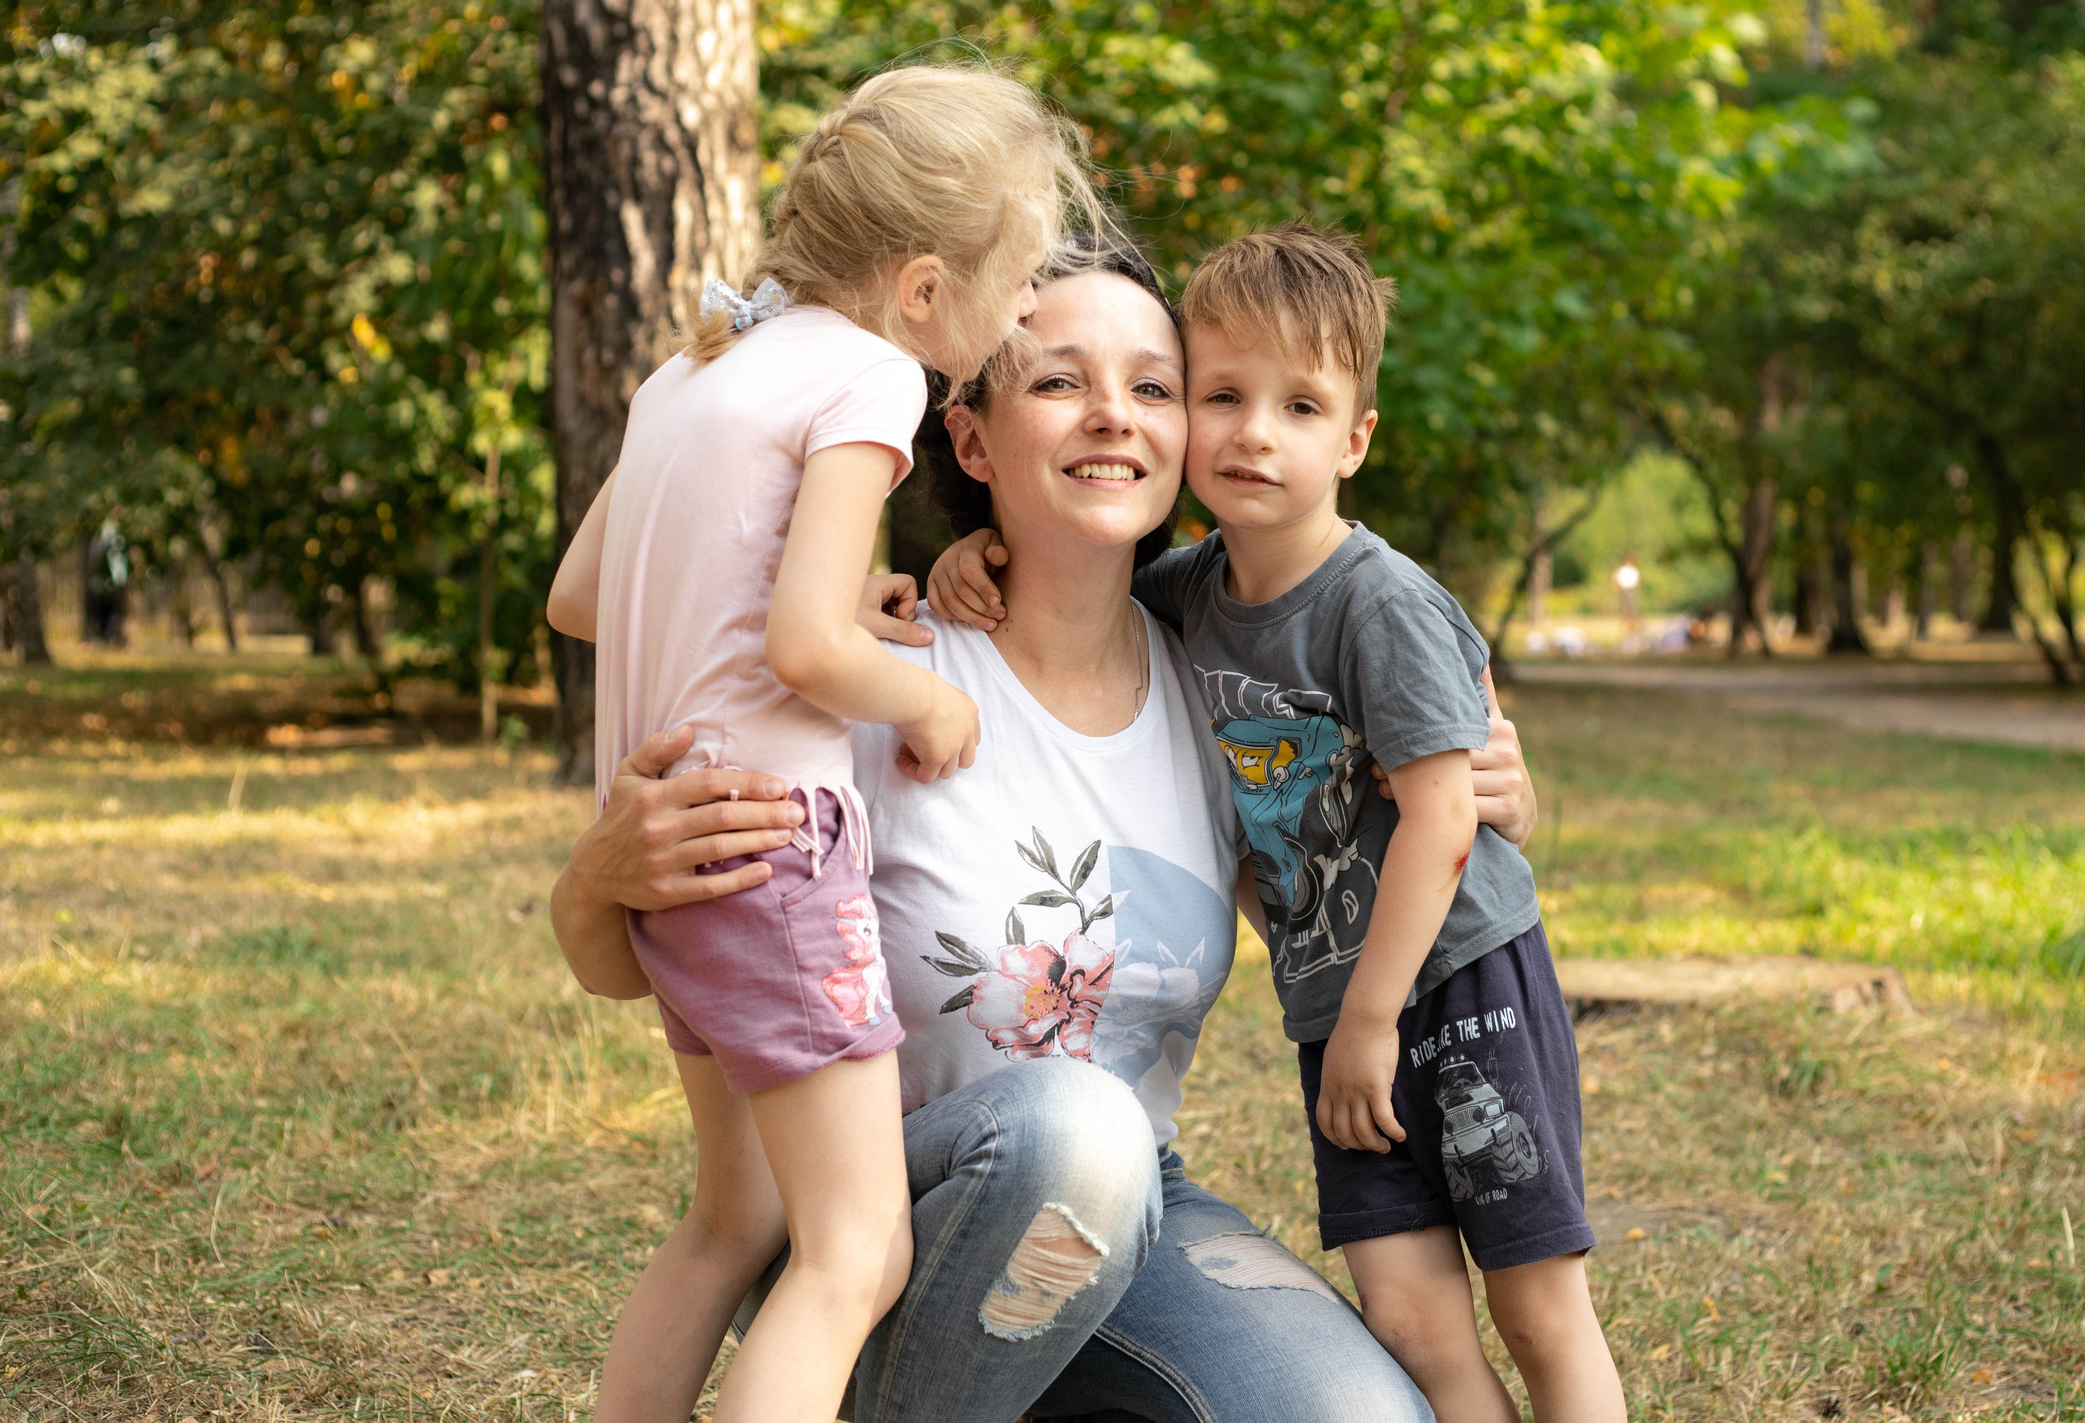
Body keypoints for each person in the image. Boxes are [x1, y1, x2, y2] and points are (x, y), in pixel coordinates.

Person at [548, 244, 1543, 1422]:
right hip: (883, 1223)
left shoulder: (1225, 691)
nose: (1113, 415)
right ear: (969, 439)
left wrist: (1488, 802)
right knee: (1077, 1127)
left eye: (1157, 386)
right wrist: (595, 883)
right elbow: (644, 975)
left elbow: (1356, 887)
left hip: (1133, 1216)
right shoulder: (873, 674)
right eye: (1059, 381)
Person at [932, 225, 1623, 1423]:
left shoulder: (1379, 600)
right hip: (1331, 1016)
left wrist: (1371, 1015)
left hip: (1457, 984)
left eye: (1300, 407)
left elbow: (1450, 814)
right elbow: (1072, 586)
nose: (1253, 432)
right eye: (1220, 396)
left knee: (1535, 1306)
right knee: (1409, 1319)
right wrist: (967, 555)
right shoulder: (1183, 601)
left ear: (1355, 438)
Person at [544, 64, 1109, 1423]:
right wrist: (926, 699)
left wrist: (805, 602)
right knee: (855, 1248)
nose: (1025, 308)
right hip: (779, 856)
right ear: (924, 291)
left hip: (682, 857)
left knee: (733, 1215)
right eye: (1020, 280)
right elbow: (806, 651)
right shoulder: (870, 376)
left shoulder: (702, 361)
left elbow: (581, 597)